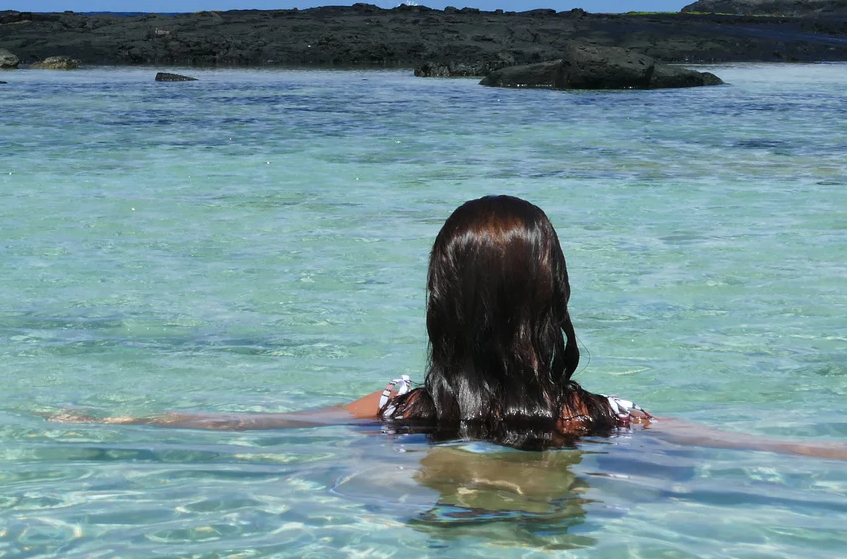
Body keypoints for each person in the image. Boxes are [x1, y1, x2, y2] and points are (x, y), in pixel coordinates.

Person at [52, 194, 847, 460]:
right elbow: (760, 446)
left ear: (442, 301)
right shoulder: (603, 419)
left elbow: (261, 424)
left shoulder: (399, 409)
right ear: (553, 299)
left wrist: (123, 418)